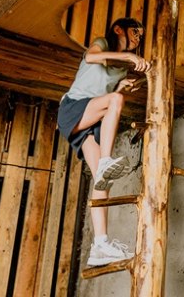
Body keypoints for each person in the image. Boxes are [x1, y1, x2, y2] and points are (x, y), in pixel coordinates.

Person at [57, 17, 150, 265]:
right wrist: (129, 59)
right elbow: (90, 58)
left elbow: (104, 96)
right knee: (116, 101)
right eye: (135, 32)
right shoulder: (100, 44)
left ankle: (100, 245)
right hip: (72, 109)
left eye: (140, 36)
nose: (137, 38)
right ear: (118, 29)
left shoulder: (118, 69)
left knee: (103, 181)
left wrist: (121, 84)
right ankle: (107, 159)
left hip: (87, 124)